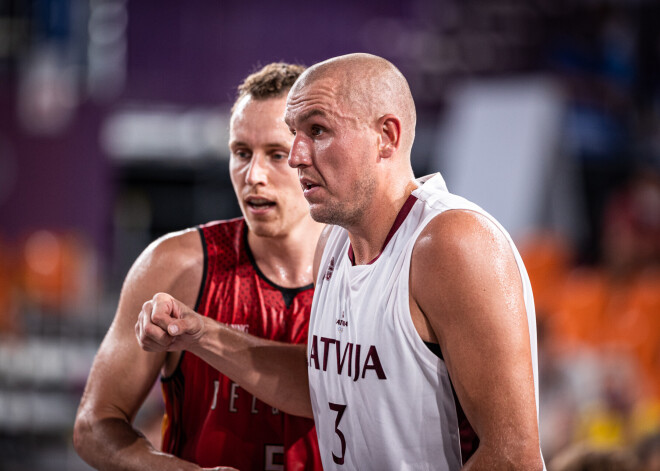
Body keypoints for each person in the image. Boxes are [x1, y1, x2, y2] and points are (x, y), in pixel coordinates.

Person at [137, 53, 546, 470]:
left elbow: (513, 459)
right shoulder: (333, 242)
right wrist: (199, 333)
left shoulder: (453, 243)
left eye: (317, 130)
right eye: (295, 133)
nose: (296, 155)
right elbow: (324, 383)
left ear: (386, 136)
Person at [74, 63, 324, 471]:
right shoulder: (175, 265)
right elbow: (94, 425)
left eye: (277, 154)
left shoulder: (365, 270)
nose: (253, 175)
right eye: (241, 153)